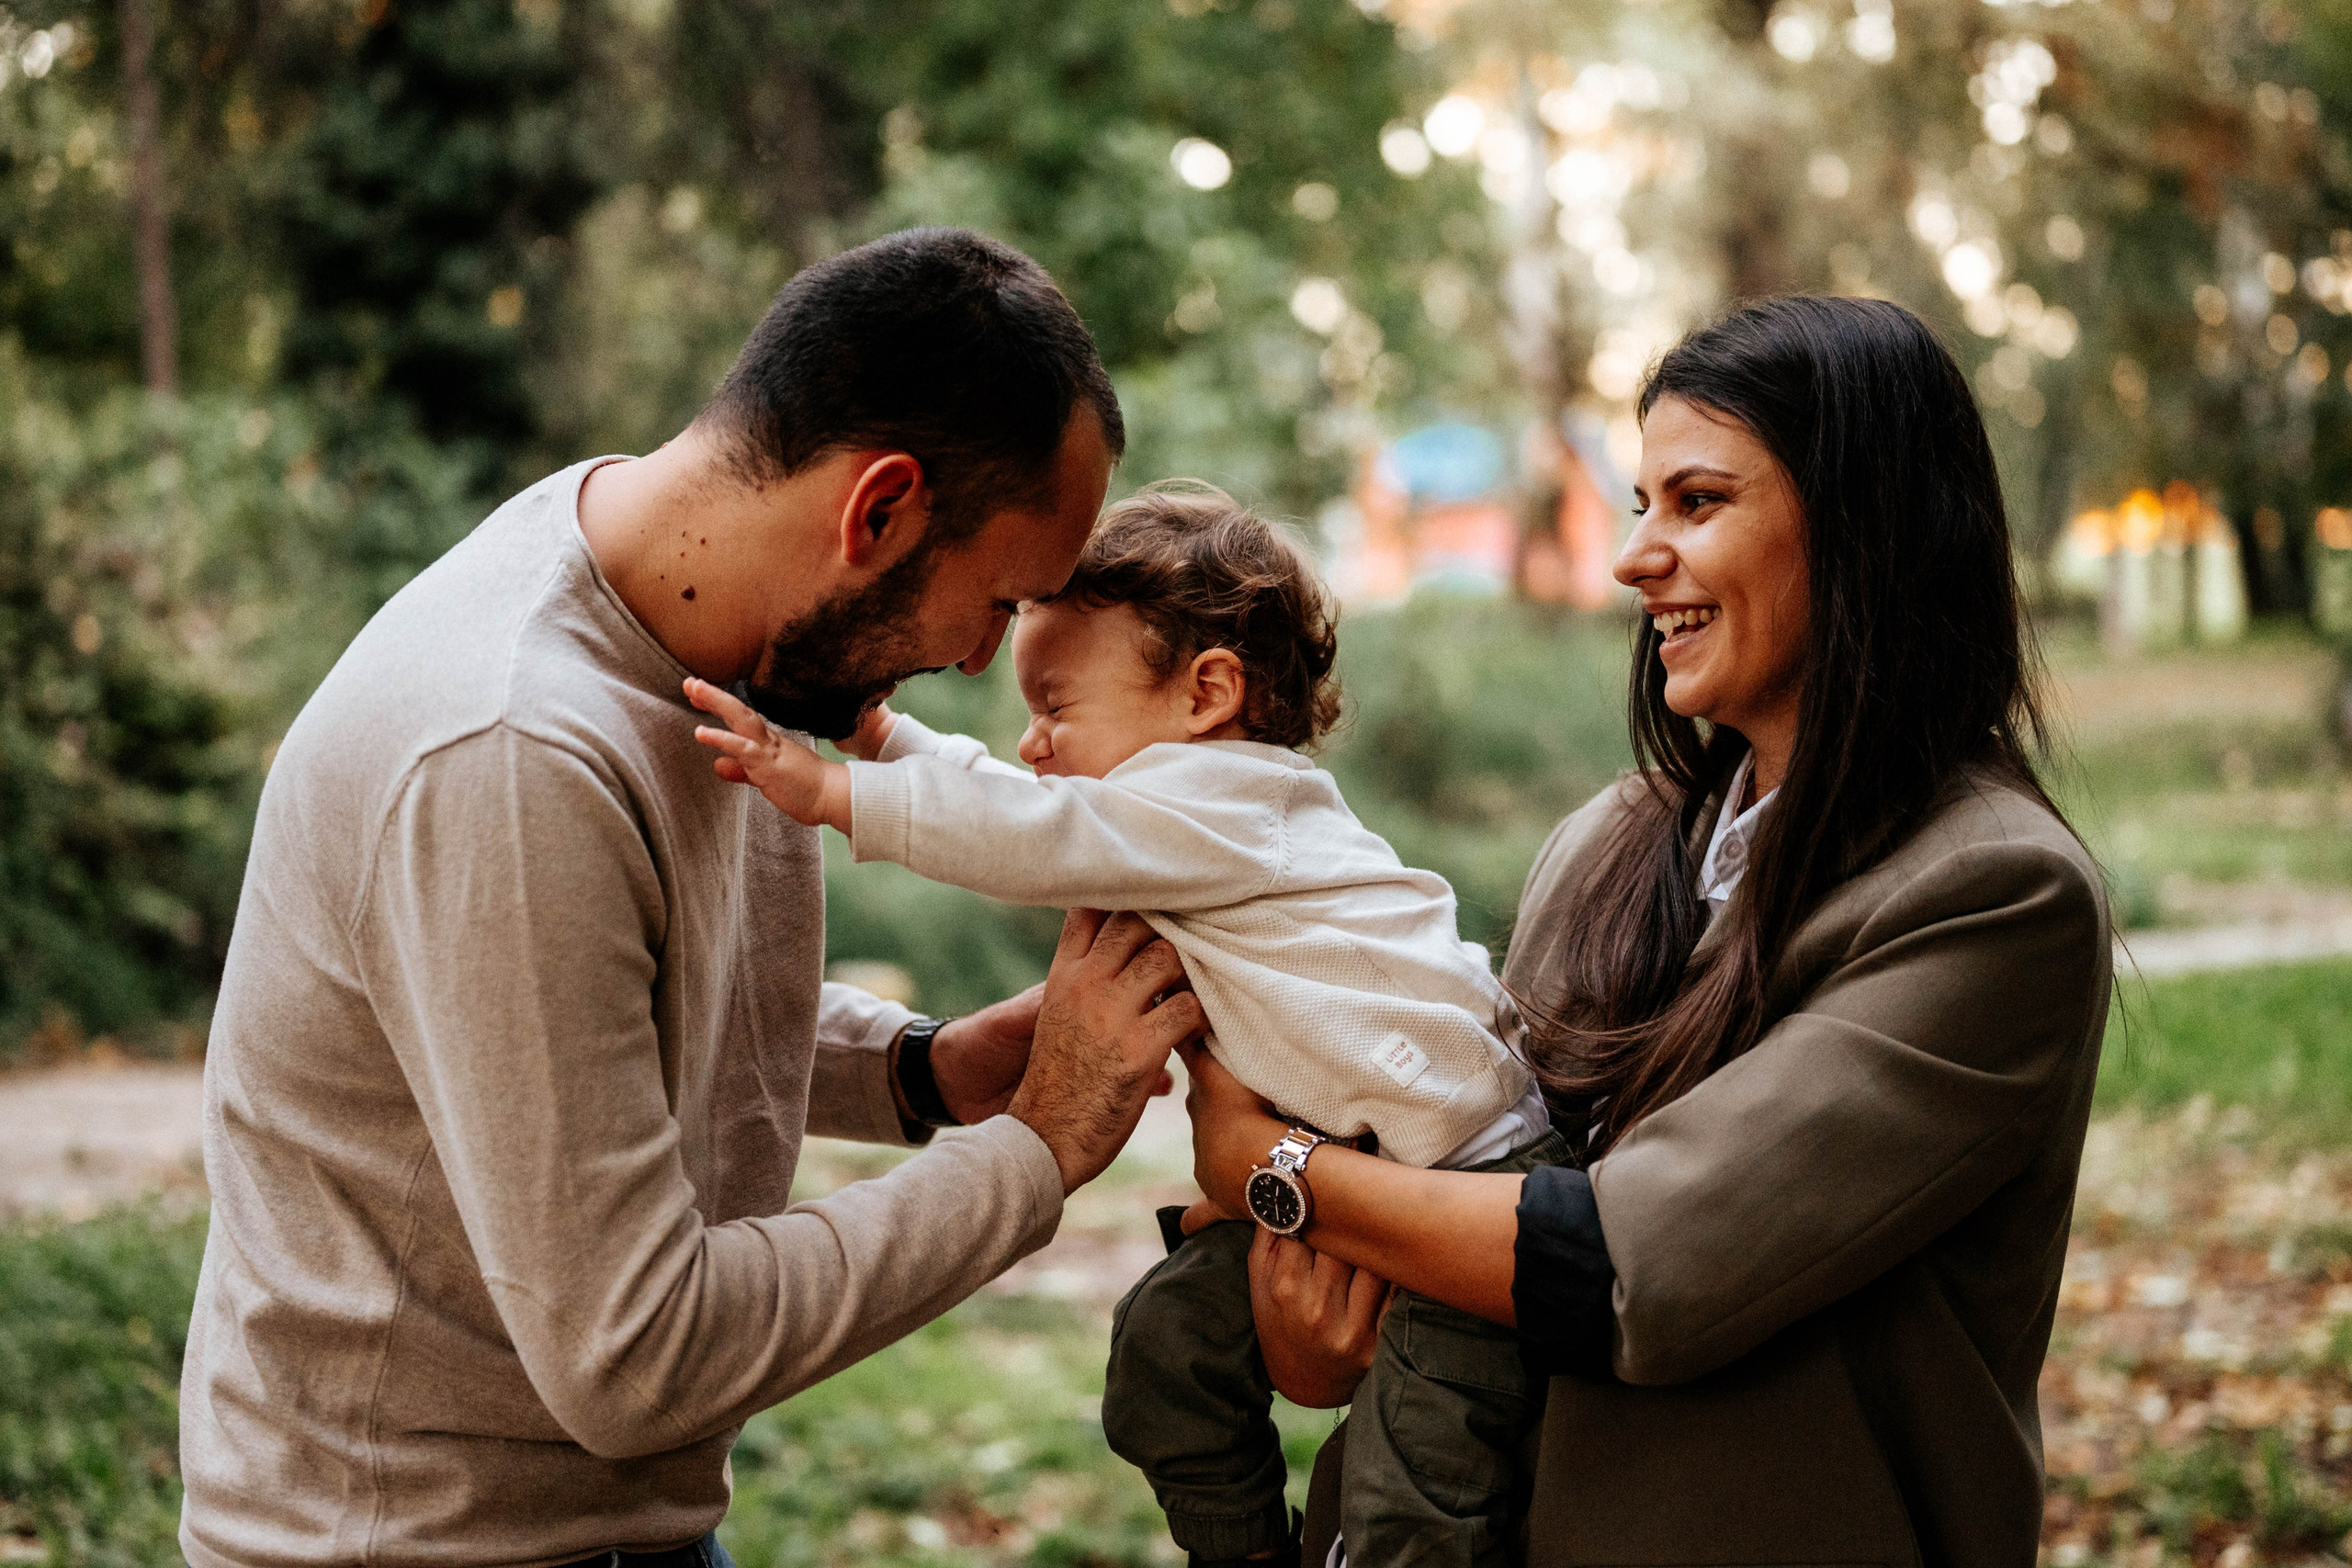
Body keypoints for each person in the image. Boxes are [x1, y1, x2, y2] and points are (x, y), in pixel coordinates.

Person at [178, 228, 1206, 1568]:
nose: (975, 657)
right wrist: (1040, 1147)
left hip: (608, 1531)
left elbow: (607, 1000)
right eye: (999, 600)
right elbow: (637, 1353)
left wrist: (925, 1068)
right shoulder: (509, 750)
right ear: (879, 508)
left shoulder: (691, 612)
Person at [1179, 296, 2114, 1567]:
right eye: (1640, 504)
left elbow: (1636, 1264)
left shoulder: (1995, 893)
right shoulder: (1610, 841)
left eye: (1699, 501)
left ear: (1863, 525)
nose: (1634, 557)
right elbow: (1450, 1192)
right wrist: (1307, 1325)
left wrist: (1267, 1167)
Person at [685, 482, 1562, 1568]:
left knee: (1410, 1509)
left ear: (1207, 692)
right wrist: (883, 733)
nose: (1031, 739)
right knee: (1163, 1351)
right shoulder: (1172, 815)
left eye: (1057, 707)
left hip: (1465, 1185)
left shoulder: (1230, 803)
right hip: (1348, 1172)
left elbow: (1031, 834)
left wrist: (830, 792)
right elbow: (1030, 807)